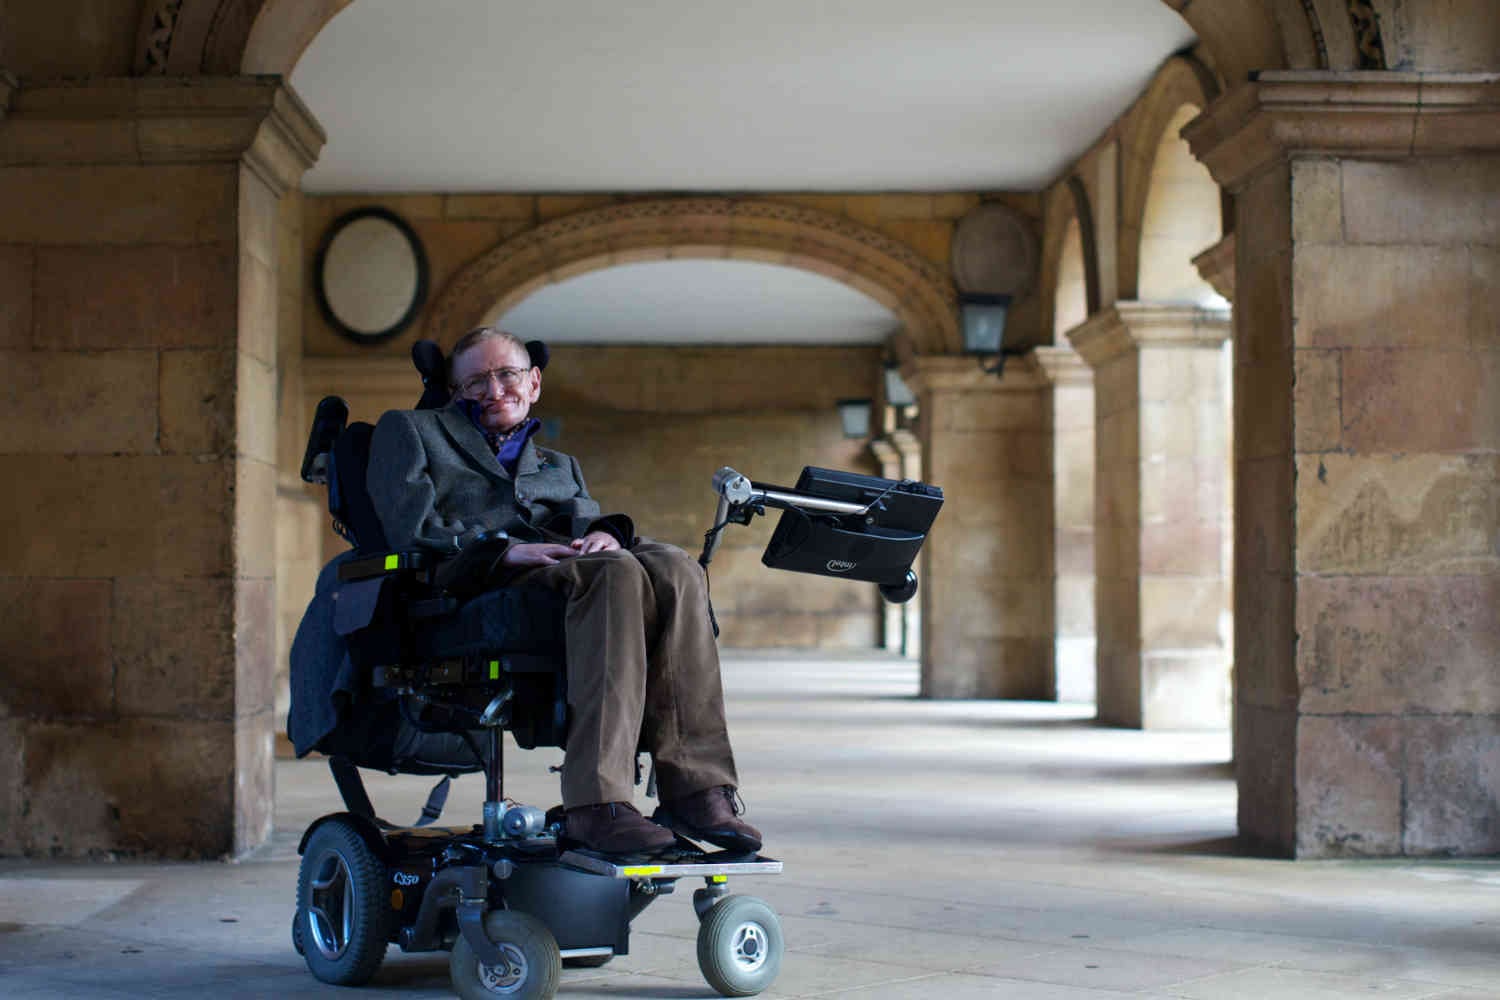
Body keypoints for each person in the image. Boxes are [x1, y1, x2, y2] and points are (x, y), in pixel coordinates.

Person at [366, 326, 761, 856]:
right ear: (453, 391)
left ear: (533, 384)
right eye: (476, 381)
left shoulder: (558, 464)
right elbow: (410, 530)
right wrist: (501, 551)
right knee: (615, 574)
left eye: (507, 375)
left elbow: (585, 519)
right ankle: (596, 805)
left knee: (675, 565)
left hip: (567, 569)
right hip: (474, 587)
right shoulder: (411, 431)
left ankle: (696, 787)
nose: (494, 389)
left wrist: (603, 534)